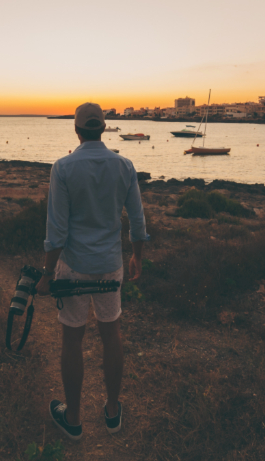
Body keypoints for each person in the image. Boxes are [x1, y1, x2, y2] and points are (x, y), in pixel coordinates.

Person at [36, 102, 150, 441]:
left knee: (72, 340)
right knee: (111, 335)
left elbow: (56, 230)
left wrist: (46, 273)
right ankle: (112, 412)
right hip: (109, 266)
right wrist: (137, 256)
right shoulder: (124, 165)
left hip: (73, 266)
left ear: (76, 129)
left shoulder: (63, 167)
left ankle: (73, 418)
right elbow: (138, 221)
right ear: (103, 127)